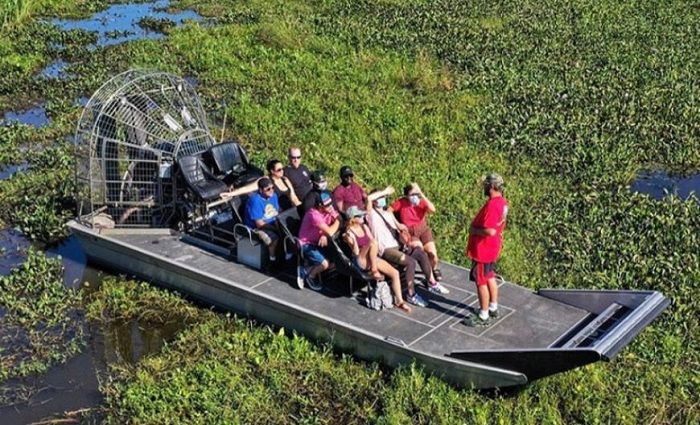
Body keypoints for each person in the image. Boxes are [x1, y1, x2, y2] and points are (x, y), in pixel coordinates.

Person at [367, 188, 442, 305]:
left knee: (420, 253)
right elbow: (368, 198)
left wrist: (404, 230)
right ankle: (411, 294)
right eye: (379, 198)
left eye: (383, 198)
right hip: (386, 249)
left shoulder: (388, 214)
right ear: (374, 201)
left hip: (397, 244)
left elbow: (399, 226)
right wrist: (384, 192)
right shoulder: (371, 214)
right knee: (410, 262)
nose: (382, 200)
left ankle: (432, 282)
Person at [343, 206, 411, 313]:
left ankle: (399, 300)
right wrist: (353, 240)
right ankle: (374, 270)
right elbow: (356, 253)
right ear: (353, 219)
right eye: (359, 216)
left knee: (395, 273)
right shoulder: (348, 233)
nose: (362, 217)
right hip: (361, 260)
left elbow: (374, 243)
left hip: (372, 257)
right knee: (373, 242)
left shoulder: (364, 227)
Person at [463, 173, 509, 327]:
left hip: (484, 249)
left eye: (486, 184)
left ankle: (483, 315)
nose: (484, 187)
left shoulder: (492, 205)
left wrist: (474, 231)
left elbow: (490, 231)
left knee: (480, 280)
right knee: (490, 276)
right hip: (493, 247)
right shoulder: (502, 202)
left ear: (492, 186)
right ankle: (493, 307)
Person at [391, 182, 448, 292]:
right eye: (412, 195)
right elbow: (389, 211)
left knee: (433, 255)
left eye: (416, 194)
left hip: (423, 230)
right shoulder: (401, 203)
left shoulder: (420, 202)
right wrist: (398, 225)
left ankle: (433, 270)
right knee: (421, 253)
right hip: (411, 232)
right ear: (407, 195)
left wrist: (421, 193)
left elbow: (433, 210)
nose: (415, 197)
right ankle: (430, 280)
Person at [297, 191, 341, 290]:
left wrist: (325, 235)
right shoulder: (314, 215)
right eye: (327, 205)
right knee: (324, 264)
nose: (330, 207)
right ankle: (309, 275)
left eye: (331, 204)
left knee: (337, 260)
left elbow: (341, 221)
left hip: (319, 241)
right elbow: (331, 230)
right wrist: (335, 223)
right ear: (320, 206)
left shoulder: (329, 209)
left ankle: (310, 268)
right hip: (306, 243)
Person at [244, 177, 291, 263]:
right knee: (274, 238)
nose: (271, 190)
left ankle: (287, 254)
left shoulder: (274, 196)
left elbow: (277, 210)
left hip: (273, 221)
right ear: (261, 190)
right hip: (258, 227)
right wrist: (276, 229)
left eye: (273, 188)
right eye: (268, 189)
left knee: (289, 231)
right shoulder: (255, 201)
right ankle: (272, 260)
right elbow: (259, 223)